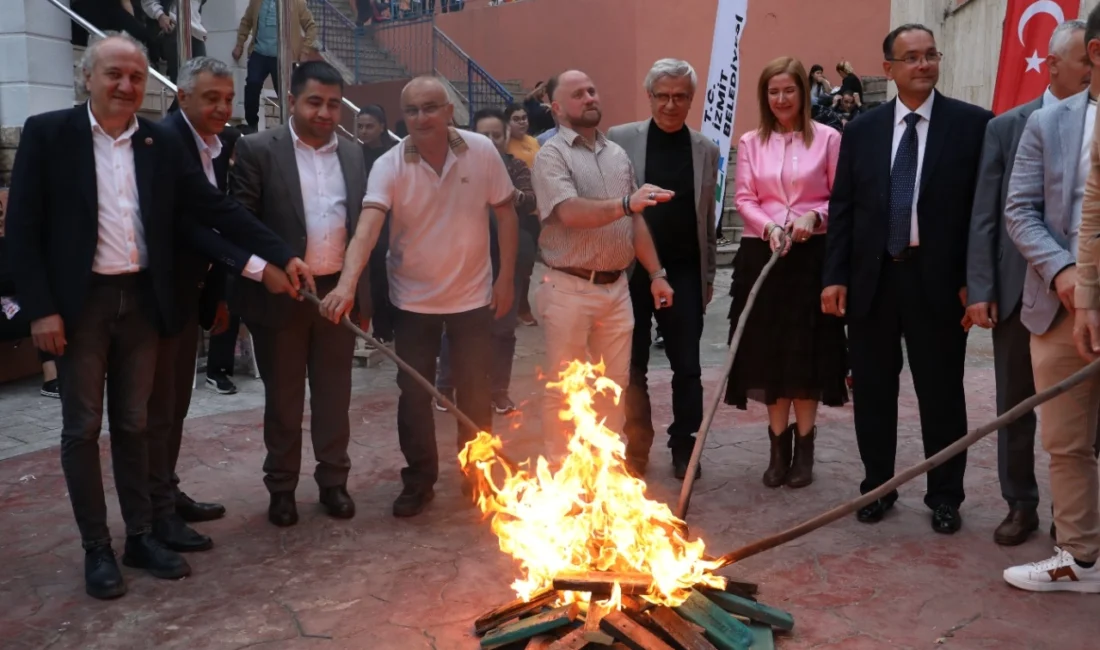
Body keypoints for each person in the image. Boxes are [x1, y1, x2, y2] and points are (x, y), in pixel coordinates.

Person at [5, 33, 310, 600]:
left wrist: (280, 253)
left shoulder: (156, 142)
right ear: (87, 78)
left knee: (134, 424)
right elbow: (20, 232)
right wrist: (41, 310)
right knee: (81, 428)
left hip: (143, 303)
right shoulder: (49, 135)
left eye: (136, 77)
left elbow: (211, 207)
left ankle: (139, 536)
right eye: (114, 74)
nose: (125, 86)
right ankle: (96, 547)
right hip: (80, 308)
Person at [318, 76, 519, 519]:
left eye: (431, 108)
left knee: (474, 390)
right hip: (412, 300)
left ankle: (478, 474)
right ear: (403, 117)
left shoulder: (481, 151)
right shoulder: (389, 165)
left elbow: (505, 214)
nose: (422, 118)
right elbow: (368, 228)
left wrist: (506, 280)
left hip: (472, 296)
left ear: (450, 111)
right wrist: (346, 285)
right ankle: (419, 479)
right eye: (412, 111)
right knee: (413, 393)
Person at [822, 24, 992, 534]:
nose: (924, 65)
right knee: (873, 390)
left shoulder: (972, 126)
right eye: (911, 58)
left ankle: (945, 496)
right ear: (889, 69)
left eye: (930, 55)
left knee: (941, 392)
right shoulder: (863, 131)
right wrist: (835, 277)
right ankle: (878, 487)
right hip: (873, 280)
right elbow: (844, 209)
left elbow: (981, 214)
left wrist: (974, 281)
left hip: (939, 282)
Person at [146, 57, 298, 553]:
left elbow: (224, 215)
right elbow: (196, 224)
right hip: (156, 296)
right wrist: (264, 266)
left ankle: (166, 491)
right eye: (211, 98)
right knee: (158, 411)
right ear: (181, 96)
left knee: (178, 406)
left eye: (229, 99)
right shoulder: (166, 142)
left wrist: (273, 259)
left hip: (192, 293)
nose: (223, 107)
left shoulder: (217, 145)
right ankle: (155, 515)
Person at [966, 19, 1091, 547]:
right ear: (1055, 64)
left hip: (1090, 299)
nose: (1092, 71)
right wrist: (981, 289)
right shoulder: (1011, 125)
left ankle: (1078, 519)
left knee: (1085, 416)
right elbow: (990, 215)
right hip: (1022, 293)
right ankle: (1020, 503)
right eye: (1085, 61)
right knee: (1015, 404)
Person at [229, 61, 370, 528]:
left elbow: (363, 229)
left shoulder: (353, 155)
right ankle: (282, 487)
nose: (326, 113)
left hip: (336, 295)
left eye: (333, 104)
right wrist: (266, 270)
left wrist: (357, 293)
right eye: (315, 102)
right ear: (291, 101)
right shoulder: (256, 150)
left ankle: (333, 481)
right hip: (282, 296)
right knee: (285, 400)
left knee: (334, 395)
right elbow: (239, 221)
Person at [1001, 6, 1100, 594]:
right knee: (1065, 440)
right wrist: (1065, 274)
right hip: (1060, 307)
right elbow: (1020, 209)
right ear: (1095, 53)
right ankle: (1081, 558)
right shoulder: (1051, 123)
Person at [531, 70, 676, 457]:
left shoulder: (617, 155)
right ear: (557, 108)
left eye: (593, 90)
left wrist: (657, 274)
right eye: (578, 94)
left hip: (616, 289)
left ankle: (604, 471)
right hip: (567, 288)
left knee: (615, 386)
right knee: (566, 387)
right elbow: (569, 213)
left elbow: (635, 220)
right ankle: (564, 477)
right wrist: (627, 203)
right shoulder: (551, 156)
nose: (590, 98)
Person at [728, 57, 848, 489]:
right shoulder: (749, 141)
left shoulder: (830, 139)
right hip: (762, 255)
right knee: (770, 353)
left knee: (806, 353)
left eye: (789, 90)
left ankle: (805, 449)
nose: (781, 99)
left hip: (813, 257)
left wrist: (815, 217)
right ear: (766, 97)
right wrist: (771, 227)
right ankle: (777, 448)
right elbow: (744, 198)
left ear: (803, 93)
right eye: (773, 92)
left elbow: (840, 199)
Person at [606, 59, 719, 479]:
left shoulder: (705, 148)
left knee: (687, 365)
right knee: (632, 365)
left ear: (691, 98)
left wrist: (708, 277)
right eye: (663, 96)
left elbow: (707, 216)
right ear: (650, 96)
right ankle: (637, 443)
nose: (671, 104)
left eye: (680, 96)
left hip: (685, 270)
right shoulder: (620, 139)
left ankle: (684, 444)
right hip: (631, 271)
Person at [436, 108, 538, 415]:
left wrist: (509, 194)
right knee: (456, 326)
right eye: (484, 135)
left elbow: (532, 199)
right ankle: (445, 386)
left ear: (506, 137)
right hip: (465, 261)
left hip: (508, 261)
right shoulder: (456, 168)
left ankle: (498, 390)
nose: (491, 141)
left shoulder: (515, 167)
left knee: (503, 330)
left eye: (496, 135)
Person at [232, 0, 319, 132]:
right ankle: (252, 126)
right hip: (259, 53)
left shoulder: (296, 3)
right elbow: (246, 21)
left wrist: (305, 50)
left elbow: (311, 27)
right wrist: (240, 44)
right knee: (252, 85)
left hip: (283, 56)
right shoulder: (257, 2)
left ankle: (293, 128)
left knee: (287, 94)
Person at [356, 105, 401, 345]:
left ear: (382, 127)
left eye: (369, 126)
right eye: (360, 126)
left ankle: (399, 325)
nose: (364, 131)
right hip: (370, 223)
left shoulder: (395, 154)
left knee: (395, 276)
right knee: (376, 278)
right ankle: (382, 328)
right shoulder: (355, 154)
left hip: (396, 221)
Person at [140, 0, 207, 82]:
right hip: (172, 24)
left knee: (201, 75)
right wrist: (160, 15)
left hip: (195, 28)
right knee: (179, 77)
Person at [506, 104, 541, 168]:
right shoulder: (505, 144)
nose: (521, 122)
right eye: (516, 119)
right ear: (507, 123)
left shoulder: (534, 141)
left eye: (524, 118)